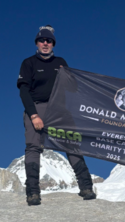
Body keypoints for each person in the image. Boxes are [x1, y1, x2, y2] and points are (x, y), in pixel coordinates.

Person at [17, 25, 96, 206]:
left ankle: (86, 187)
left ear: (53, 44)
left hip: (60, 109)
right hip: (37, 108)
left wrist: (71, 77)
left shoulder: (61, 62)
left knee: (72, 143)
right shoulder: (28, 63)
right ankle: (33, 192)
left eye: (49, 41)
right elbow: (24, 91)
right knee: (33, 147)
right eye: (42, 40)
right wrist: (34, 115)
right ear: (37, 43)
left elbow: (73, 88)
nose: (45, 43)